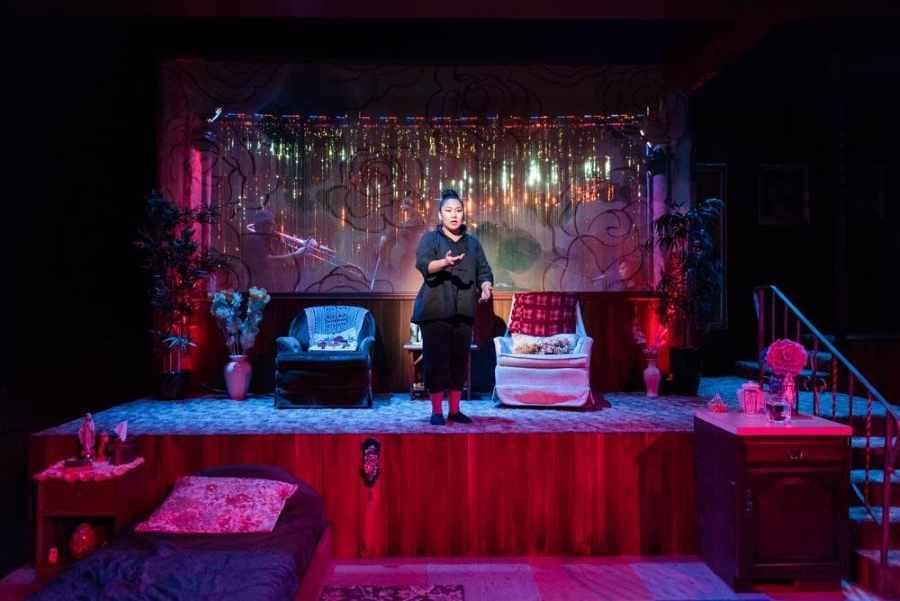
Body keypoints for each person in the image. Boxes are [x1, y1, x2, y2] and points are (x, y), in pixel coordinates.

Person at [411, 189, 494, 425]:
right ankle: (437, 411)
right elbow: (424, 264)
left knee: (459, 362)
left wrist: (486, 286)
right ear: (440, 215)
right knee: (436, 362)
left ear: (463, 214)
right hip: (435, 309)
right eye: (448, 210)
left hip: (464, 310)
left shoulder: (473, 244)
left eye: (458, 210)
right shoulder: (430, 239)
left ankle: (455, 411)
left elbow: (484, 271)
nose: (454, 215)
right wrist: (445, 262)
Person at [242, 210, 318, 292]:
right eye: (269, 224)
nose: (273, 229)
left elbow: (277, 263)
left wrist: (283, 247)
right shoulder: (254, 240)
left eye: (273, 225)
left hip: (265, 288)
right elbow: (270, 261)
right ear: (260, 226)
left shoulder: (264, 240)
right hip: (259, 289)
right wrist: (295, 255)